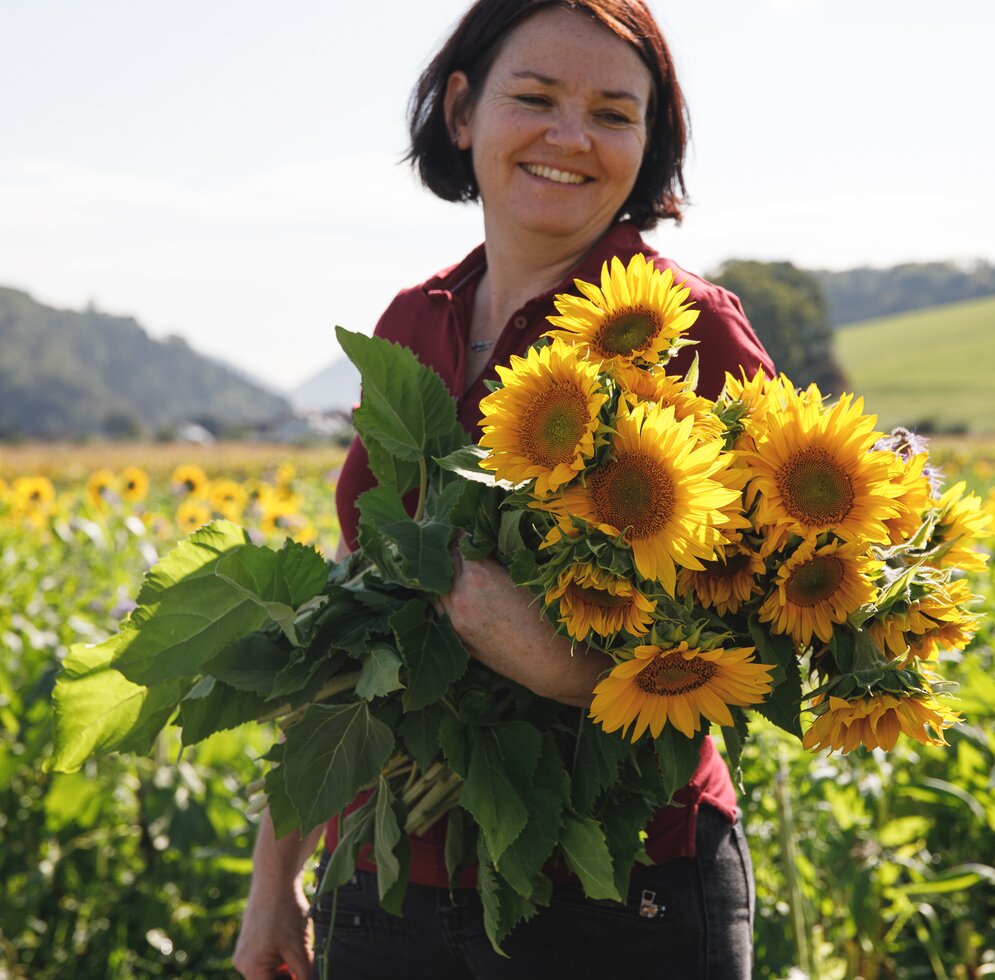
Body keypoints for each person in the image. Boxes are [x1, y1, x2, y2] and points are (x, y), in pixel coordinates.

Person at [232, 2, 775, 978]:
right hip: (394, 877)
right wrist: (277, 875)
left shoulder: (689, 330)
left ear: (649, 145)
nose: (572, 138)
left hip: (623, 888)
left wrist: (565, 667)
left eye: (614, 113)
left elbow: (773, 620)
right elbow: (354, 608)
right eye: (535, 98)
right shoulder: (413, 322)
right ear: (460, 111)